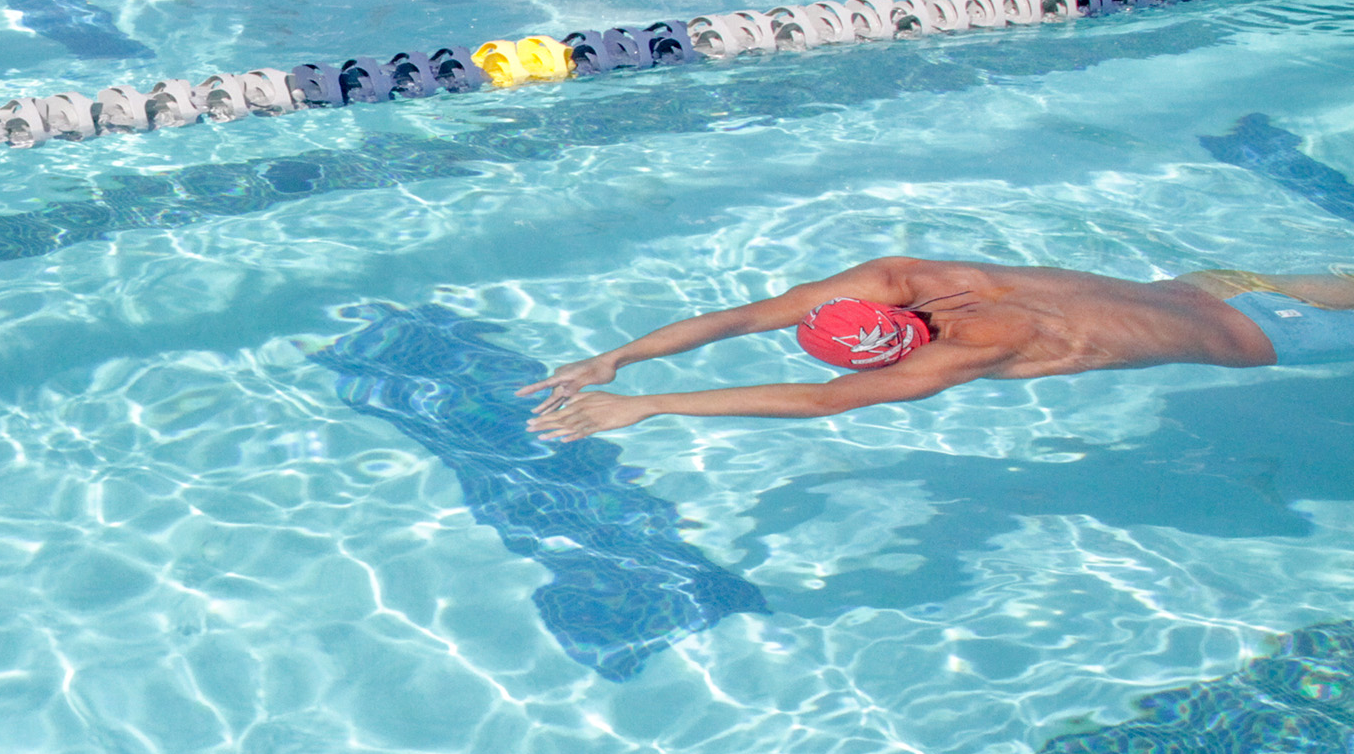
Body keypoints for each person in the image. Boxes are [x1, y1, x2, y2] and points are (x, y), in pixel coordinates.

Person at [519, 257, 1354, 440]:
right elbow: (747, 317)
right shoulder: (907, 276)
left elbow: (821, 401)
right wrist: (617, 357)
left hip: (1266, 334)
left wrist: (650, 400)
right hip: (1213, 286)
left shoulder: (984, 346)